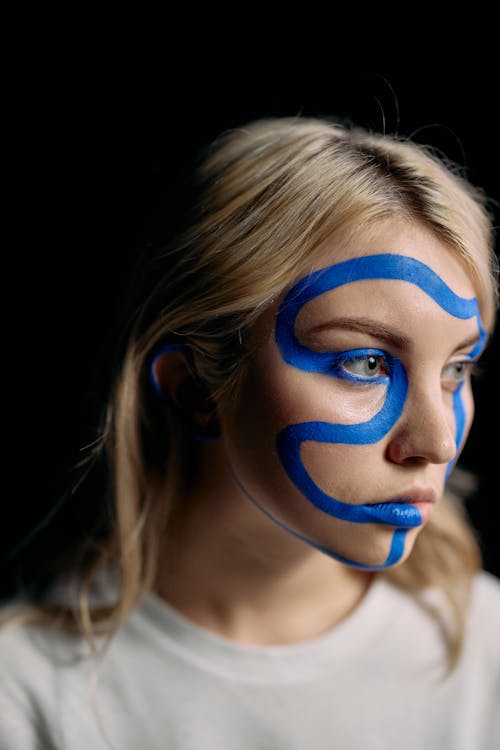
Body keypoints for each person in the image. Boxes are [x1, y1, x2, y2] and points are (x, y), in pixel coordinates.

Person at [1, 114, 499, 749]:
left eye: (457, 368)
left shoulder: (487, 649)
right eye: (365, 363)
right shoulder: (27, 699)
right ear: (195, 388)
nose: (438, 442)